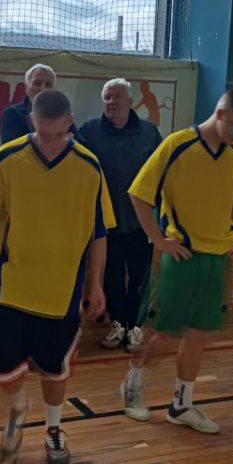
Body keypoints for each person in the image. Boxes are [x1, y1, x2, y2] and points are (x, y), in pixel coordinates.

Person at [0, 89, 113, 464]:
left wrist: (96, 284)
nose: (49, 142)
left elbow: (99, 233)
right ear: (32, 121)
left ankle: (53, 429)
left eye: (58, 134)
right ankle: (18, 408)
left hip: (61, 292)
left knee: (55, 369)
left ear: (70, 123)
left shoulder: (89, 166)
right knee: (4, 373)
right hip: (10, 286)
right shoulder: (8, 158)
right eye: (42, 133)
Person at [119, 86, 233, 434]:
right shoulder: (177, 145)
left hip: (217, 259)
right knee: (164, 333)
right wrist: (158, 239)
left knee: (200, 334)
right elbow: (138, 194)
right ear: (220, 114)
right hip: (181, 255)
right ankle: (132, 385)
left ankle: (181, 404)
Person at [79, 78, 162, 353]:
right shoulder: (89, 132)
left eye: (117, 97)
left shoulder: (149, 133)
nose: (112, 102)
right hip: (106, 225)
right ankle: (118, 325)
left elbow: (161, 174)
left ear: (130, 101)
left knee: (139, 277)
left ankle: (135, 327)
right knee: (112, 277)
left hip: (141, 224)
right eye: (107, 97)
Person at [0, 63, 78, 143]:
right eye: (37, 83)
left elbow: (80, 144)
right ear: (26, 88)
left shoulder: (62, 114)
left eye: (48, 84)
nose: (43, 88)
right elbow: (11, 147)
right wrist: (61, 142)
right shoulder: (13, 113)